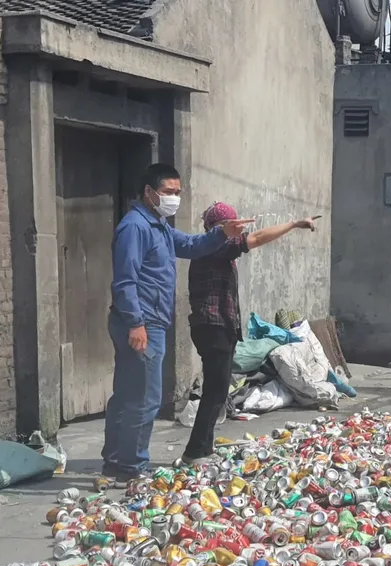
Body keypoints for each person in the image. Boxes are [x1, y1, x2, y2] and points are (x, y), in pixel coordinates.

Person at [105, 164, 254, 486]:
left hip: (149, 320)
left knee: (128, 394)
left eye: (177, 193)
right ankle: (131, 468)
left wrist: (222, 233)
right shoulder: (135, 228)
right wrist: (136, 323)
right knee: (144, 397)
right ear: (149, 192)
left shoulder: (158, 226)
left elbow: (190, 246)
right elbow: (125, 280)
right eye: (168, 192)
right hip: (142, 321)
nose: (174, 199)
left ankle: (116, 461)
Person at [181, 203, 319, 466]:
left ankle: (203, 447)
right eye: (231, 225)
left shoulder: (215, 248)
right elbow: (255, 239)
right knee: (215, 390)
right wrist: (292, 224)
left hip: (219, 326)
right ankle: (195, 451)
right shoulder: (213, 246)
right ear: (217, 227)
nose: (237, 230)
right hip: (213, 327)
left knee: (219, 389)